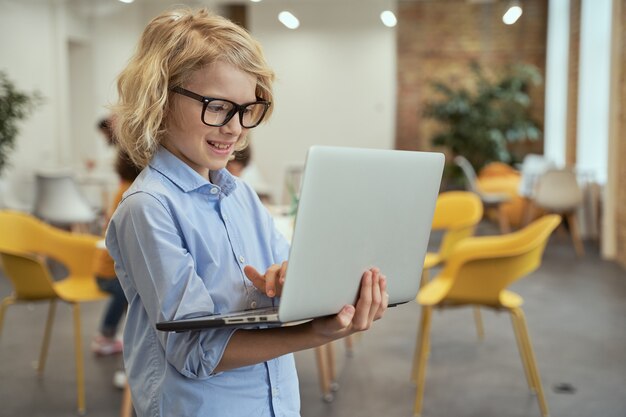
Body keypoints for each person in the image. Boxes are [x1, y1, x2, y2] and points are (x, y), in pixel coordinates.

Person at [105, 7, 388, 417]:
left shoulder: (240, 195)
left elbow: (273, 282)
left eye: (247, 110)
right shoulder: (148, 209)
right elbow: (196, 351)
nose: (236, 128)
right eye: (218, 107)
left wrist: (296, 283)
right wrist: (314, 332)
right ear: (161, 100)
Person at [91, 150, 142, 356]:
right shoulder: (131, 193)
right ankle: (105, 335)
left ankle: (123, 336)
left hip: (108, 269)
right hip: (108, 274)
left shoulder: (125, 188)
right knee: (126, 288)